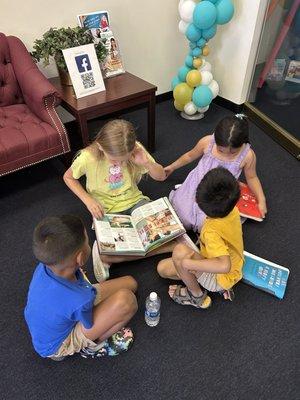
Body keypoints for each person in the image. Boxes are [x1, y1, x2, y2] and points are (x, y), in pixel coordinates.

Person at [63, 119, 171, 282]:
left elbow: (161, 176)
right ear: (100, 146)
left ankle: (109, 256)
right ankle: (107, 254)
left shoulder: (136, 149)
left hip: (135, 202)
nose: (119, 163)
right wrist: (88, 200)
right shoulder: (87, 157)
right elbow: (68, 177)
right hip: (106, 209)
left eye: (123, 160)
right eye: (114, 160)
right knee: (125, 243)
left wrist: (146, 163)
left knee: (160, 231)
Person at [24, 215, 138, 360]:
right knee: (128, 301)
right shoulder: (80, 300)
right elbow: (88, 322)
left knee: (131, 283)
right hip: (58, 345)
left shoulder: (46, 265)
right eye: (87, 241)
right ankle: (94, 346)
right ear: (80, 258)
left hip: (62, 312)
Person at [157, 167, 244, 309]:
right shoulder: (232, 209)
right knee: (163, 268)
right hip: (234, 264)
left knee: (175, 258)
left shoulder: (211, 232)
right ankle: (200, 280)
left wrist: (190, 265)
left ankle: (196, 295)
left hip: (220, 276)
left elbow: (224, 265)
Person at [164, 114, 267, 232]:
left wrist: (261, 200)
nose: (226, 155)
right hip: (196, 185)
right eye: (220, 150)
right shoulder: (207, 142)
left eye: (232, 152)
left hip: (219, 194)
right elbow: (189, 156)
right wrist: (172, 167)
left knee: (209, 227)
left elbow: (252, 177)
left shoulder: (248, 155)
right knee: (182, 219)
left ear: (242, 144)